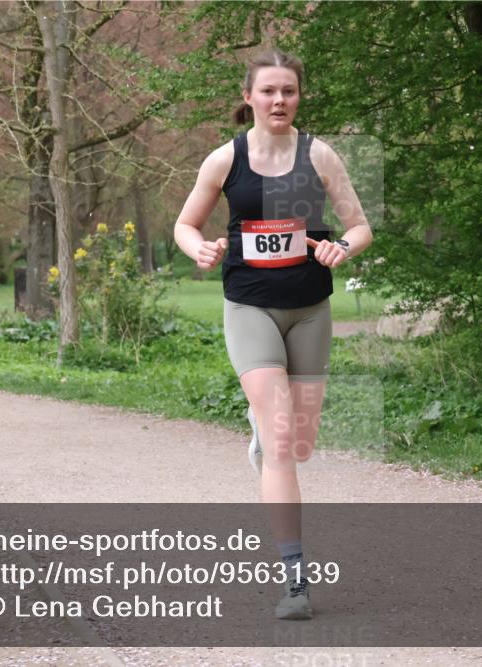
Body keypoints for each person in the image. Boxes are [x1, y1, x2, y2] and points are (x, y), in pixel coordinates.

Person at [173, 49, 373, 620]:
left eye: (288, 90)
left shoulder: (320, 155)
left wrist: (342, 247)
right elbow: (185, 225)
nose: (279, 100)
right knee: (284, 442)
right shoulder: (224, 160)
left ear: (298, 97)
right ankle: (295, 583)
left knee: (296, 443)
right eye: (268, 91)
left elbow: (360, 226)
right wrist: (200, 249)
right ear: (249, 97)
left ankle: (263, 434)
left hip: (310, 310)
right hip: (250, 308)